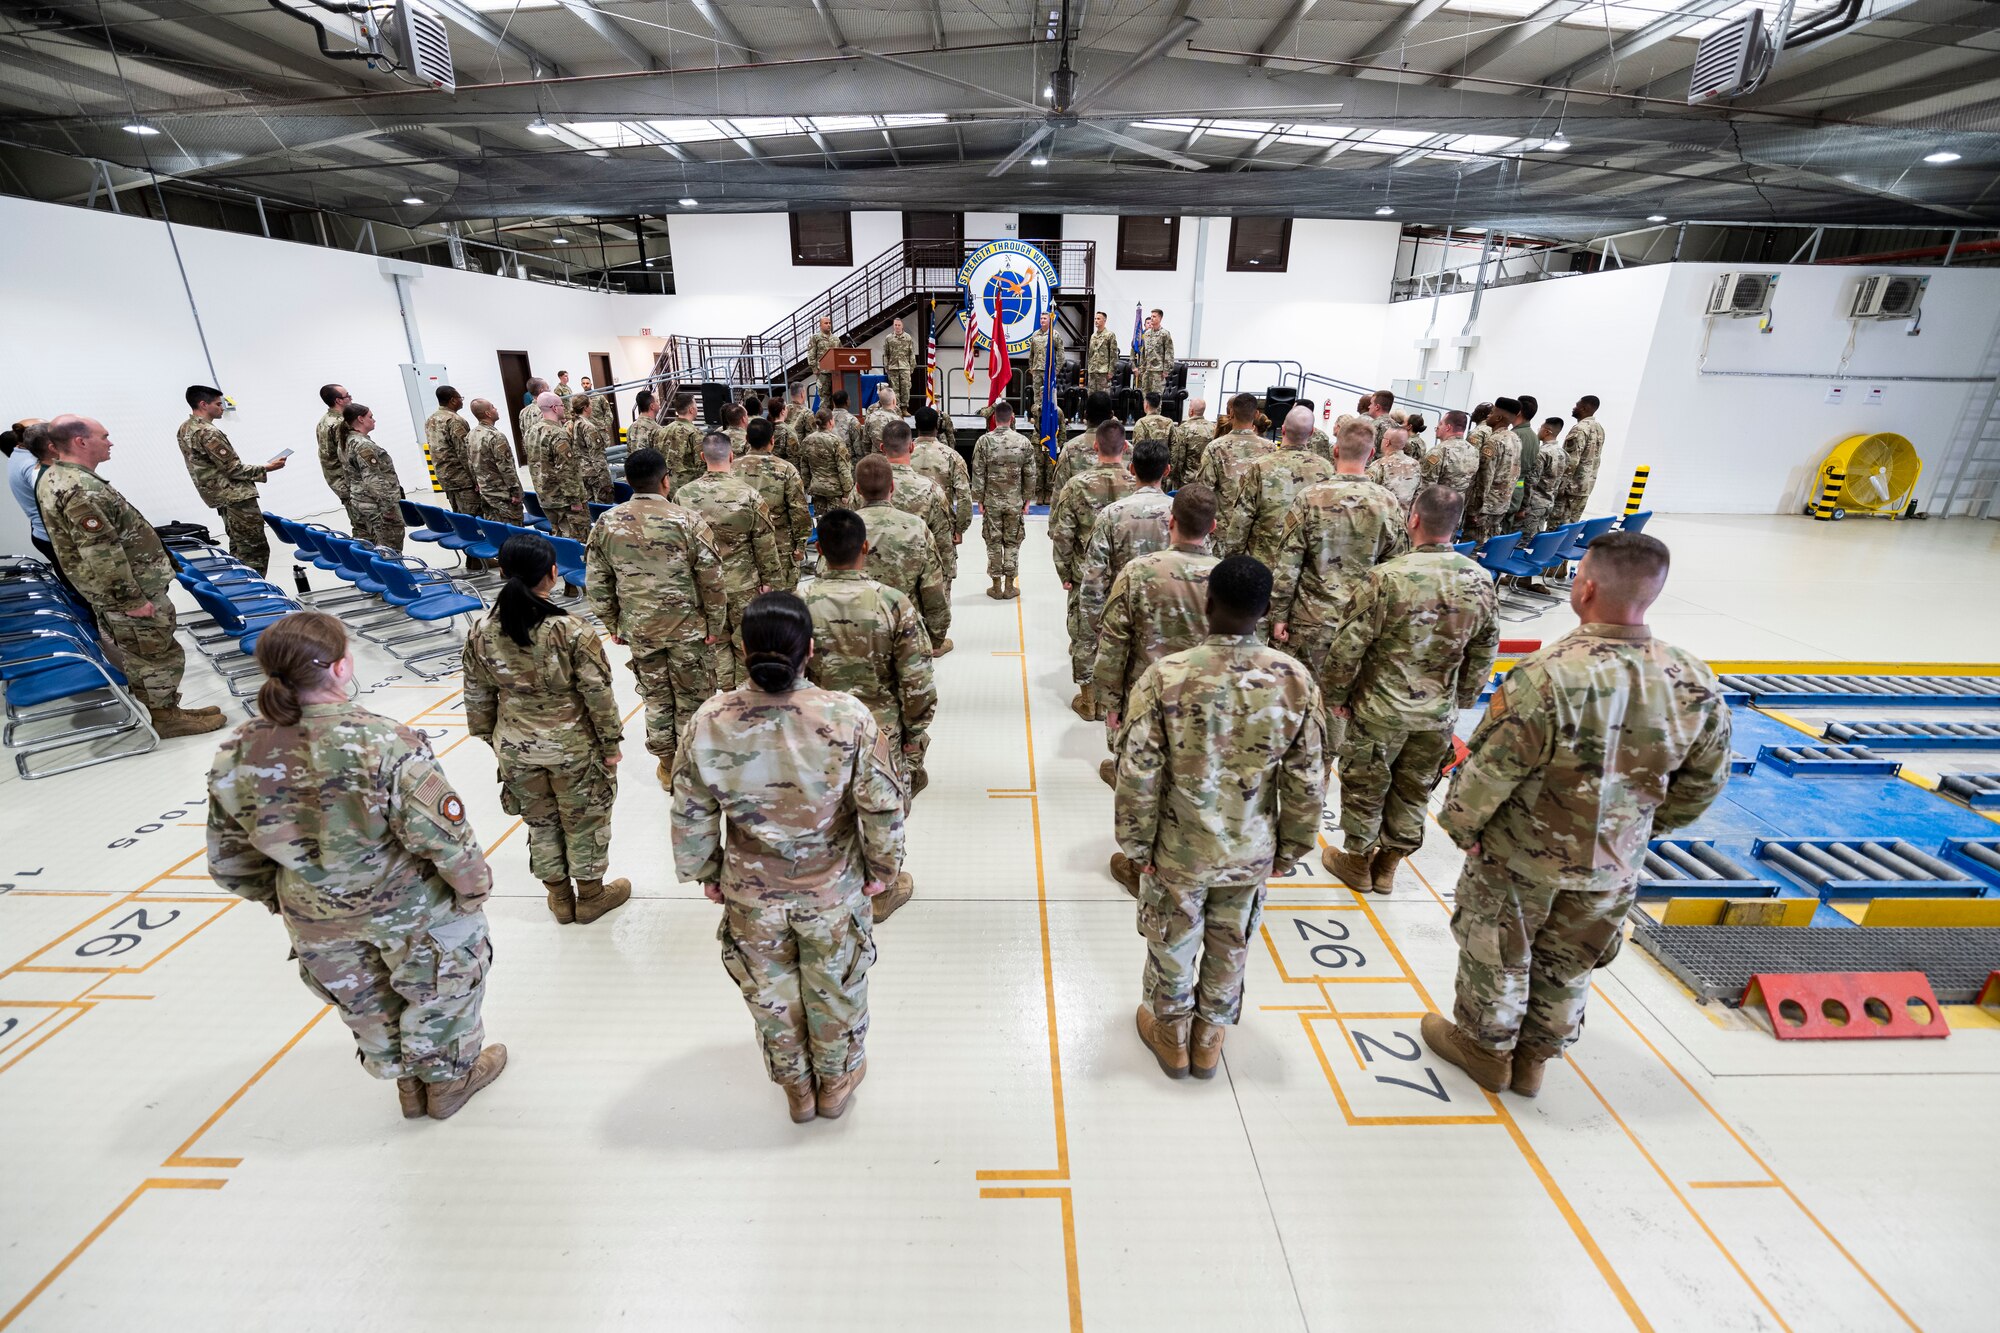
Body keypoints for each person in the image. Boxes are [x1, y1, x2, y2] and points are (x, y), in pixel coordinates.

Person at [1425, 532, 1733, 1097]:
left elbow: (1488, 775)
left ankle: (1487, 1050)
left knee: (1498, 953)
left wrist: (1463, 831)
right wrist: (1636, 830)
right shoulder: (1694, 680)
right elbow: (1703, 785)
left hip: (1521, 858)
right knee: (1570, 962)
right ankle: (1536, 1059)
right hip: (1611, 864)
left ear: (1586, 587)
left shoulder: (1547, 675)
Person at [206, 611, 504, 1120]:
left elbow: (230, 859)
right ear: (341, 668)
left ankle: (408, 1088)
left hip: (314, 915)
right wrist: (474, 891)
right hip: (410, 908)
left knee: (366, 1002)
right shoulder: (384, 742)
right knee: (441, 990)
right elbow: (444, 840)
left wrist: (281, 901)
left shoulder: (237, 750)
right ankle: (449, 1081)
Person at [672, 591, 906, 1124]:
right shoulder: (847, 716)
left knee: (771, 993)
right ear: (812, 650)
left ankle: (796, 1089)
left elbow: (691, 808)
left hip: (751, 893)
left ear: (743, 649)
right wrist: (883, 871)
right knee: (836, 986)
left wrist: (706, 872)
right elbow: (882, 806)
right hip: (831, 890)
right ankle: (836, 1081)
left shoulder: (711, 719)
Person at [1113, 556, 1325, 1080]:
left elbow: (1138, 774)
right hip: (1251, 847)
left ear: (1207, 606)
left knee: (1173, 936)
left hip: (1179, 848)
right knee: (1232, 939)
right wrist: (1293, 848)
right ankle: (1210, 1036)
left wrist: (1137, 847)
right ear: (1266, 609)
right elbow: (1307, 777)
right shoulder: (1295, 680)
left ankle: (1172, 1033)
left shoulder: (1166, 677)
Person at [1319, 486, 1499, 896]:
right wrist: (1463, 699)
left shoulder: (1387, 578)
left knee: (1366, 782)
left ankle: (1359, 860)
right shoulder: (1480, 580)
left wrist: (1336, 696)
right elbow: (1485, 650)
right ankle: (1389, 865)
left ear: (1413, 519)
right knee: (1415, 787)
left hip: (1380, 708)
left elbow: (1349, 646)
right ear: (1455, 525)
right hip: (1438, 713)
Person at [464, 535, 630, 926]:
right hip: (574, 747)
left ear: (502, 572)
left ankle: (558, 898)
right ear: (553, 574)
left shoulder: (482, 630)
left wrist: (496, 741)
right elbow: (598, 694)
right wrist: (610, 744)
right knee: (584, 818)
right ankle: (590, 897)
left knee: (540, 822)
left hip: (516, 747)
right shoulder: (572, 630)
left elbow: (477, 696)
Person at [37, 415, 224, 738]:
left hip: (120, 588)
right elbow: (101, 552)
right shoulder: (81, 489)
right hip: (130, 591)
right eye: (104, 436)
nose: (110, 442)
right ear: (81, 442)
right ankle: (166, 718)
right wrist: (132, 600)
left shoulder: (58, 477)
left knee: (146, 652)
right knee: (153, 655)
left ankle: (168, 708)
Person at [586, 446, 725, 787]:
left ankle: (666, 765)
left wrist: (613, 623)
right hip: (688, 629)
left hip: (640, 628)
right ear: (666, 481)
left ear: (629, 482)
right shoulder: (687, 520)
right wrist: (714, 625)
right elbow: (711, 578)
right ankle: (694, 766)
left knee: (656, 697)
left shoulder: (606, 522)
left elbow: (597, 580)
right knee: (694, 696)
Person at [805, 506, 936, 846]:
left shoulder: (797, 602)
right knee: (883, 811)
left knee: (827, 808)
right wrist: (914, 735)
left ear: (819, 549)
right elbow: (916, 682)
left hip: (817, 729)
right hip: (882, 731)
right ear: (865, 548)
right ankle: (884, 887)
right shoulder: (894, 604)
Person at [1092, 484, 1218, 787]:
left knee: (1136, 772)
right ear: (1213, 526)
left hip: (1143, 691)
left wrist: (1110, 701)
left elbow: (1114, 643)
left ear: (1171, 522)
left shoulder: (1138, 572)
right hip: (1202, 696)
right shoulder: (1225, 575)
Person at [1265, 424, 1408, 685]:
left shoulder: (1310, 498)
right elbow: (1396, 568)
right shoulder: (1388, 503)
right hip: (1361, 621)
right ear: (1373, 452)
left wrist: (1279, 615)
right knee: (1342, 705)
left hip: (1310, 619)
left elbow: (1289, 562)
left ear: (1335, 451)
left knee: (1300, 696)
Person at [679, 432, 784, 688]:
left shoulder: (683, 496)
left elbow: (679, 548)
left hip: (702, 586)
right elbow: (764, 543)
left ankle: (725, 695)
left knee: (715, 644)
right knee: (745, 643)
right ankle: (745, 695)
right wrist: (770, 580)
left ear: (703, 457)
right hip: (743, 583)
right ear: (732, 456)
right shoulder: (749, 496)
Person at [1051, 420, 1137, 715]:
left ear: (1095, 447)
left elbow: (1062, 533)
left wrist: (1064, 573)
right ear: (1125, 448)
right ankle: (1118, 701)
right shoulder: (1140, 486)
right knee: (1126, 635)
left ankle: (1090, 701)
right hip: (1131, 579)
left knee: (1086, 635)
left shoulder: (1076, 486)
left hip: (1086, 575)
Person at [1077, 436, 1173, 697]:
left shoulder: (1111, 514)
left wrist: (1097, 624)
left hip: (1122, 615)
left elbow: (1094, 575)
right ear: (1167, 471)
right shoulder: (1181, 513)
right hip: (1169, 617)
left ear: (1132, 469)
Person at [177, 386, 284, 575]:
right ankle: (256, 595)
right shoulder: (207, 431)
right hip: (236, 497)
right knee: (254, 551)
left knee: (238, 549)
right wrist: (267, 467)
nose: (222, 408)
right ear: (203, 404)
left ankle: (243, 591)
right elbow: (233, 468)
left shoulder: (185, 428)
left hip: (221, 497)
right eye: (218, 404)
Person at [853, 455, 950, 650]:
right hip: (905, 631)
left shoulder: (846, 526)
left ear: (857, 490)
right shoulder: (916, 527)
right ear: (892, 488)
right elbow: (933, 589)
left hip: (855, 632)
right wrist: (936, 636)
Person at [879, 421, 958, 621]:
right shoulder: (930, 490)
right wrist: (948, 574)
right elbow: (942, 543)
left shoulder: (863, 487)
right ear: (911, 447)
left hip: (875, 595)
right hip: (915, 581)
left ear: (882, 448)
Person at [1242, 407, 1338, 567]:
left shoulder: (1261, 466)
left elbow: (1243, 515)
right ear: (1312, 432)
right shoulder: (1326, 468)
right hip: (1306, 563)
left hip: (1264, 560)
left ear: (1283, 430)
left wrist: (1233, 556)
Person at [1191, 393, 1274, 556]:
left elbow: (1203, 491)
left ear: (1230, 413)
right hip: (1257, 537)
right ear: (1256, 414)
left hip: (1224, 534)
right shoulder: (1271, 449)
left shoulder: (1215, 448)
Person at [8, 422, 82, 601]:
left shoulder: (17, 455)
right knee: (81, 588)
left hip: (43, 534)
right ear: (50, 445)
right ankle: (91, 624)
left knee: (74, 584)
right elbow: (55, 498)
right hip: (54, 537)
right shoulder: (32, 467)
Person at [970, 401, 1037, 600]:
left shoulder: (984, 442)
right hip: (1014, 502)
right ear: (1012, 418)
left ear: (994, 418)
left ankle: (996, 586)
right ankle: (1010, 586)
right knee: (1012, 542)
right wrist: (1027, 500)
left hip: (991, 501)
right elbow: (1030, 474)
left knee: (993, 542)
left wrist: (978, 499)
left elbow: (978, 472)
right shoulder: (1024, 442)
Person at [737, 418, 812, 583]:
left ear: (747, 440)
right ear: (772, 441)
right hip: (779, 546)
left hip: (741, 548)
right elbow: (799, 510)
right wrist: (801, 545)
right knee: (782, 601)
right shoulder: (786, 469)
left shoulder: (731, 469)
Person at [338, 402, 405, 553]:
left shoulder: (346, 441)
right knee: (389, 550)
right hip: (376, 506)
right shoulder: (363, 445)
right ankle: (392, 576)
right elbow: (373, 480)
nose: (374, 420)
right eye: (370, 416)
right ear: (360, 419)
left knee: (373, 548)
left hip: (359, 501)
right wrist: (389, 508)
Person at [910, 405, 972, 548]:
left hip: (911, 526)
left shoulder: (903, 454)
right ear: (937, 426)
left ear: (916, 426)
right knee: (944, 570)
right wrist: (960, 528)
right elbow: (964, 495)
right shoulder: (953, 456)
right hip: (943, 526)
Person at [1466, 399, 1522, 545]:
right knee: (1488, 549)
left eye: (1491, 413)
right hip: (1501, 506)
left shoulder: (1493, 442)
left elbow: (1484, 479)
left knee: (1472, 551)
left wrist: (1474, 510)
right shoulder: (1515, 439)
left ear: (1498, 418)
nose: (1487, 416)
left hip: (1485, 508)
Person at [1515, 417, 1569, 557]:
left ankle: (1513, 577)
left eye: (1540, 428)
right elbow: (1563, 481)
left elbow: (1531, 481)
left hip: (1533, 505)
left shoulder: (1542, 453)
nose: (1538, 431)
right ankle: (1524, 578)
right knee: (1535, 543)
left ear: (1546, 431)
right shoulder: (1563, 454)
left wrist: (1523, 507)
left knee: (1523, 543)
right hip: (1547, 504)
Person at [1552, 396, 1606, 531]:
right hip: (1585, 487)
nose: (1574, 407)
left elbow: (1571, 461)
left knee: (1556, 528)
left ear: (1584, 408)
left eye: (1577, 405)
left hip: (1570, 488)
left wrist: (1560, 487)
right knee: (1571, 526)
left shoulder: (1579, 429)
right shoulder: (1599, 428)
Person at [316, 383, 365, 532]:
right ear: (339, 401)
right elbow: (349, 456)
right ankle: (365, 555)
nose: (351, 398)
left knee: (359, 523)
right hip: (348, 482)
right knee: (364, 526)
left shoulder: (324, 421)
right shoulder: (339, 424)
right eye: (347, 396)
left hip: (336, 479)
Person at [424, 385, 476, 517]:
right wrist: (476, 479)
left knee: (459, 516)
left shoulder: (431, 419)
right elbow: (464, 452)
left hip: (445, 477)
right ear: (453, 400)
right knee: (472, 517)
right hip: (462, 480)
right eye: (460, 398)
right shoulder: (454, 420)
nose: (462, 401)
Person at [798, 406, 855, 513]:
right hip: (835, 491)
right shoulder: (836, 441)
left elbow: (804, 467)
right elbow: (844, 469)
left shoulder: (807, 441)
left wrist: (806, 487)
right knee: (838, 525)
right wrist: (847, 492)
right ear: (830, 422)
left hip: (817, 490)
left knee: (823, 524)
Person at [1421, 409, 1479, 499]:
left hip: (1437, 506)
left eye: (1440, 424)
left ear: (1448, 427)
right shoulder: (1474, 451)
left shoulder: (1438, 452)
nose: (1437, 427)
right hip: (1458, 506)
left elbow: (1425, 487)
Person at [1366, 426, 1423, 516]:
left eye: (1383, 438)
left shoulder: (1379, 464)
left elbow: (1366, 493)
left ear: (1387, 442)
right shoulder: (1415, 465)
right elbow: (1418, 494)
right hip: (1403, 521)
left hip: (1382, 521)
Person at [570, 396, 615, 503]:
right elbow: (597, 456)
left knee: (591, 507)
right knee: (604, 506)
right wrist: (606, 481)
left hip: (582, 472)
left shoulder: (573, 424)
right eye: (590, 405)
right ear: (585, 408)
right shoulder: (589, 427)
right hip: (595, 474)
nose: (592, 407)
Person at [659, 390, 706, 492]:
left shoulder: (664, 430)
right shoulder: (694, 433)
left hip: (665, 486)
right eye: (696, 406)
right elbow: (702, 465)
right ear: (691, 410)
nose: (697, 408)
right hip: (687, 489)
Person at [1167, 397, 1212, 493]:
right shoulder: (1213, 428)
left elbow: (1178, 457)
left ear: (1191, 411)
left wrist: (1173, 476)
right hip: (1206, 479)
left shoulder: (1183, 428)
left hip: (1187, 480)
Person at [1025, 311, 1065, 415]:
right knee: (1037, 395)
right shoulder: (1035, 334)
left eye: (1044, 318)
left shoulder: (1054, 335)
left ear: (1050, 320)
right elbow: (1031, 353)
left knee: (1049, 395)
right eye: (1041, 318)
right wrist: (1031, 368)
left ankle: (1050, 417)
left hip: (1049, 370)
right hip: (1037, 370)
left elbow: (1060, 355)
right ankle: (1038, 417)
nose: (1042, 320)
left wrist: (1056, 371)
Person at [1137, 308, 1175, 397]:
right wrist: (1142, 368)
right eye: (1151, 316)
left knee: (1156, 398)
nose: (1152, 318)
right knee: (1146, 397)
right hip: (1147, 371)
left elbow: (1169, 352)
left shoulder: (1164, 334)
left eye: (1154, 316)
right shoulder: (1146, 334)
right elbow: (1143, 352)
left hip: (1158, 371)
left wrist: (1166, 370)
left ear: (1160, 318)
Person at [883, 317, 916, 411]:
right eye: (895, 325)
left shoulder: (908, 337)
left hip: (905, 367)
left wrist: (911, 367)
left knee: (905, 389)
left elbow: (911, 353)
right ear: (893, 326)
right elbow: (886, 353)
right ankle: (896, 409)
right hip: (892, 367)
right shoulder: (889, 338)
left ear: (902, 326)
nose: (897, 327)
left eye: (899, 325)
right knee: (894, 390)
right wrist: (887, 366)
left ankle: (904, 409)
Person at [806, 315, 839, 407]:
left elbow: (840, 354)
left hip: (836, 373)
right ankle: (824, 419)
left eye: (829, 323)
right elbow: (811, 354)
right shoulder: (815, 338)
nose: (828, 325)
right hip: (823, 373)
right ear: (820, 325)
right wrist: (815, 369)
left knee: (836, 399)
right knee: (825, 400)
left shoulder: (836, 339)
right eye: (826, 323)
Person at [1086, 310, 1119, 395]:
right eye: (1095, 319)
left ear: (1104, 320)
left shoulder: (1110, 335)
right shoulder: (1093, 336)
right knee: (1091, 396)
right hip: (1093, 371)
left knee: (1103, 396)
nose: (1096, 321)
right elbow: (1090, 354)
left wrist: (1111, 371)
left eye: (1098, 319)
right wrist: (1089, 368)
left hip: (1103, 371)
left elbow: (1113, 355)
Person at [626, 388, 664, 461]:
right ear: (652, 406)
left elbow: (629, 453)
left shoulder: (631, 428)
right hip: (651, 471)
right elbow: (661, 457)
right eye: (657, 401)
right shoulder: (656, 429)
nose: (659, 404)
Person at [517, 376, 550, 448]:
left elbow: (523, 433)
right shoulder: (547, 408)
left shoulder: (523, 412)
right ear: (542, 391)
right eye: (547, 388)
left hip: (532, 452)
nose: (550, 390)